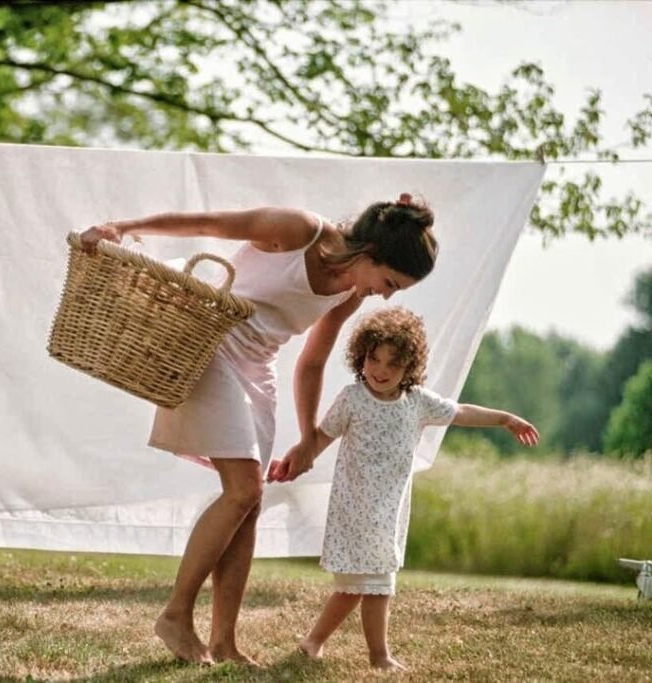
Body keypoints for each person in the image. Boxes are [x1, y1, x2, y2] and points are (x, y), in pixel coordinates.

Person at [79, 193, 438, 665]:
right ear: (371, 254)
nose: (385, 295)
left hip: (257, 372)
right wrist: (122, 224)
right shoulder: (299, 230)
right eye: (389, 282)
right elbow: (209, 222)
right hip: (214, 346)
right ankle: (176, 615)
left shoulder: (348, 293)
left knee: (249, 501)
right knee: (241, 490)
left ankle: (225, 641)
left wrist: (309, 436)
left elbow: (311, 362)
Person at [268, 306, 540, 671]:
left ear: (409, 368)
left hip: (388, 511)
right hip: (355, 509)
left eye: (392, 364)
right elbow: (318, 439)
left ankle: (316, 642)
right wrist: (293, 463)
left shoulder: (418, 404)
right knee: (366, 583)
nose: (379, 370)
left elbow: (460, 412)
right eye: (373, 359)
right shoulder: (352, 399)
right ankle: (374, 655)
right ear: (361, 356)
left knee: (366, 585)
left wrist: (505, 418)